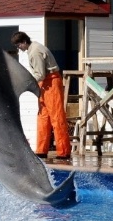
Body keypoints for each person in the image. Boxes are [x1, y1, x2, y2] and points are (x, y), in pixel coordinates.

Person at [11, 31, 71, 159]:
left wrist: (25, 83)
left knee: (57, 117)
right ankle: (42, 149)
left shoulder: (35, 52)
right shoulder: (34, 48)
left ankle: (64, 151)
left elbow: (40, 74)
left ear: (24, 42)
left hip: (51, 82)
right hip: (45, 84)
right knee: (43, 117)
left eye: (18, 45)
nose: (18, 48)